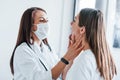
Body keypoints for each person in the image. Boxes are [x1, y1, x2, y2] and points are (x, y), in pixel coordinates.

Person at [10, 7, 84, 80]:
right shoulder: (23, 50)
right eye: (42, 20)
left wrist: (71, 57)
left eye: (47, 20)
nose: (46, 24)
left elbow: (62, 74)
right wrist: (66, 57)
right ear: (32, 27)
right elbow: (39, 78)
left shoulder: (48, 48)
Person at [65, 8, 117, 80]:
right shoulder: (104, 59)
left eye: (75, 20)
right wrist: (71, 57)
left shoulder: (84, 60)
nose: (71, 23)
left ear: (82, 30)